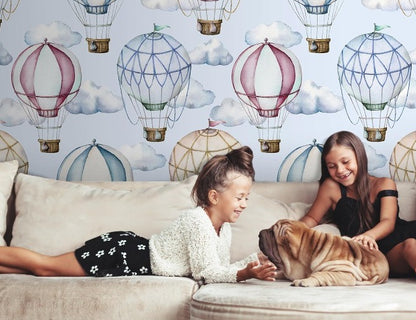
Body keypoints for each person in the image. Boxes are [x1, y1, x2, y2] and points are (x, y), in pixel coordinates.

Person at [0, 146, 277, 283]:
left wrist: (255, 261)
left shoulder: (222, 229)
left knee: (39, 272)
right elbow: (206, 273)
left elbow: (218, 267)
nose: (244, 204)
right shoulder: (197, 221)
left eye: (246, 197)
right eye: (239, 197)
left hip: (134, 257)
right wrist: (244, 273)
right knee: (44, 267)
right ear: (214, 197)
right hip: (125, 253)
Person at [301, 130, 416, 277]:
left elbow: (388, 221)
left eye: (345, 162)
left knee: (411, 242)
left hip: (401, 234)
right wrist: (290, 230)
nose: (340, 170)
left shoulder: (384, 184)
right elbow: (312, 218)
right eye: (332, 166)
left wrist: (369, 236)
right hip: (386, 252)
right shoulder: (331, 188)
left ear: (359, 157)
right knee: (410, 245)